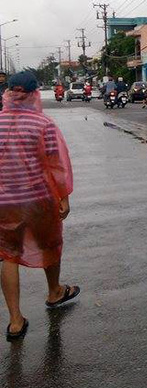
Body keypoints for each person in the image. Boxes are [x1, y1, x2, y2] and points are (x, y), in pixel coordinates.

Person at [0, 71, 79, 342]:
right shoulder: (43, 124)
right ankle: (55, 291)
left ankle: (14, 321)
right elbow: (56, 165)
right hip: (37, 199)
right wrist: (63, 196)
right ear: (34, 93)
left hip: (4, 203)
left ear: (9, 92)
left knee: (9, 256)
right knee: (49, 245)